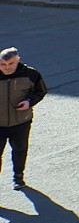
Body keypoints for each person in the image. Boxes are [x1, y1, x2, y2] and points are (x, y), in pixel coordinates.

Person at [1, 47, 46, 190]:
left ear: (18, 60)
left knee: (20, 150)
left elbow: (41, 90)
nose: (7, 68)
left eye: (11, 64)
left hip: (21, 122)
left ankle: (18, 177)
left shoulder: (31, 74)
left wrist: (29, 102)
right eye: (3, 64)